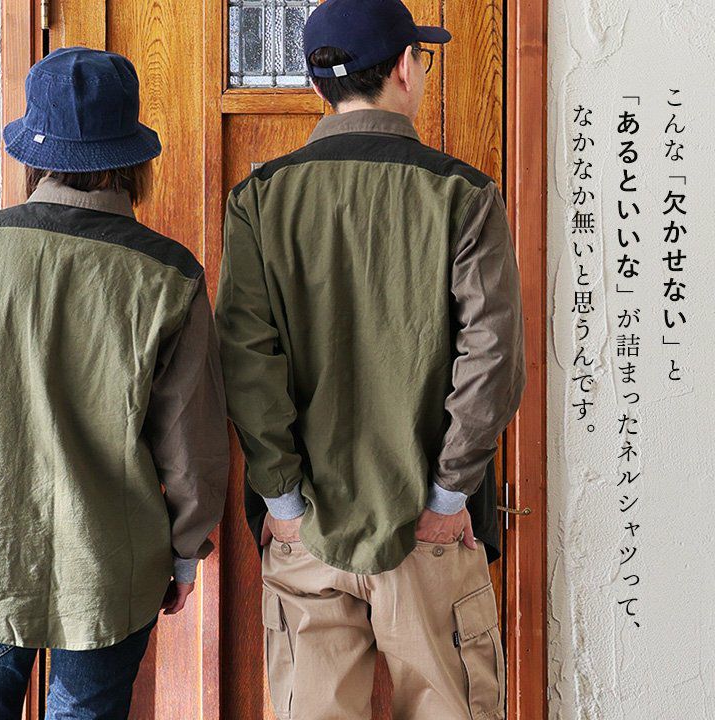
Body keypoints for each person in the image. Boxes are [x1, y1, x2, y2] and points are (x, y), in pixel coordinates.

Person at [215, 0, 526, 716]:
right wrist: (449, 495)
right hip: (430, 527)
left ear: (318, 83)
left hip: (306, 528)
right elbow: (492, 358)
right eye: (422, 57)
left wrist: (283, 500)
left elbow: (245, 360)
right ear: (404, 69)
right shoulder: (465, 195)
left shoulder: (258, 200)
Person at [0, 47, 230, 719]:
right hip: (110, 565)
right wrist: (184, 554)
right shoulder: (169, 274)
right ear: (131, 158)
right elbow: (193, 441)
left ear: (32, 153)